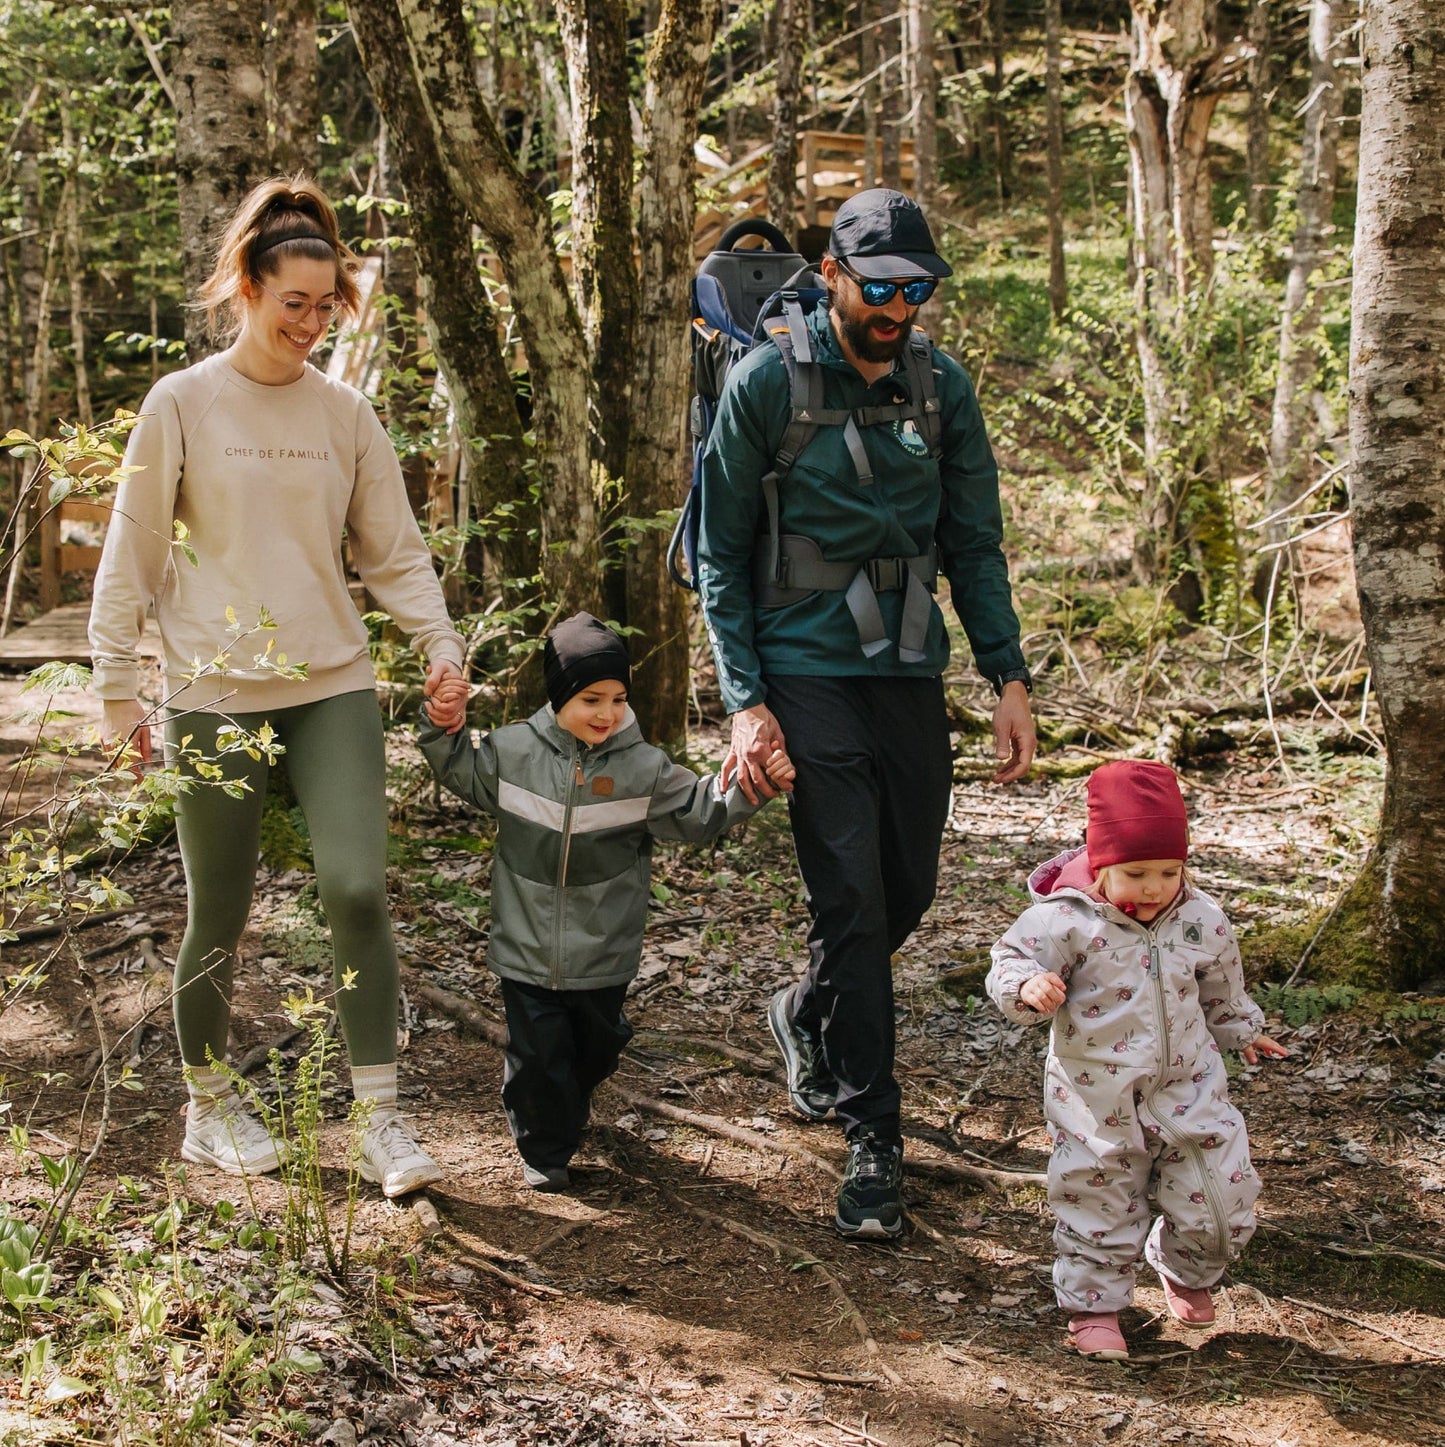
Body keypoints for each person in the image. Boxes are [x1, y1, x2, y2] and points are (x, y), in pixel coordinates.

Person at [89, 177, 469, 1197]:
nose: (310, 323)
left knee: (357, 889)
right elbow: (130, 552)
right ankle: (208, 1102)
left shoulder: (345, 413)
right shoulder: (182, 402)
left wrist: (439, 646)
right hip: (214, 690)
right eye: (292, 302)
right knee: (218, 907)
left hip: (329, 681)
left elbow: (394, 552)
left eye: (325, 305)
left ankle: (379, 1118)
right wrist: (118, 687)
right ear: (248, 289)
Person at [695, 187, 1036, 1239]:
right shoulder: (765, 383)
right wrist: (746, 703)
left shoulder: (942, 386)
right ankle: (871, 1136)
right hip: (803, 665)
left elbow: (973, 542)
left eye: (916, 289)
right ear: (834, 276)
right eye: (880, 287)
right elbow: (718, 552)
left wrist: (1007, 675)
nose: (898, 308)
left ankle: (806, 1010)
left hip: (905, 664)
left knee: (904, 888)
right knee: (849, 892)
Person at [419, 612, 794, 1190]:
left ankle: (568, 1100)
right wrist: (441, 727)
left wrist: (756, 783)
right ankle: (544, 1151)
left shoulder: (642, 769)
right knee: (538, 1055)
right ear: (559, 696)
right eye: (591, 699)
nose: (607, 713)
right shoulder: (513, 751)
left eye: (619, 699)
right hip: (525, 945)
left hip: (604, 950)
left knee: (595, 1049)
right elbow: (462, 770)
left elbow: (700, 810)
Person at [986, 760, 1289, 1360]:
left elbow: (1221, 987)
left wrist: (1242, 1029)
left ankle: (1185, 1267)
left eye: (1169, 872)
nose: (1154, 888)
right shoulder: (1063, 920)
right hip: (1095, 1095)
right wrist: (1026, 987)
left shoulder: (1202, 919)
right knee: (1097, 1193)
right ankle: (1094, 1307)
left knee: (1222, 1193)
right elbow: (1010, 961)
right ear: (1101, 864)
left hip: (1190, 1085)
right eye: (1136, 873)